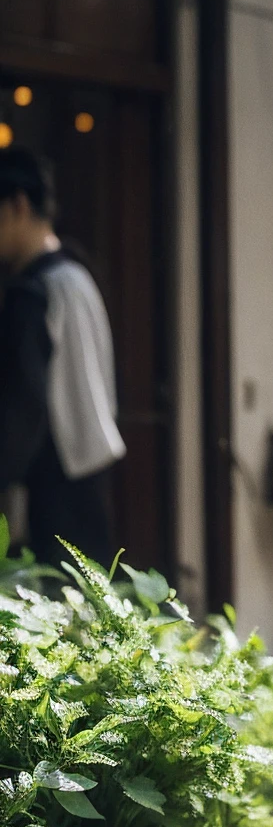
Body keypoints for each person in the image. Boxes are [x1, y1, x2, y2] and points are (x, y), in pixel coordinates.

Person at [0, 146, 124, 567]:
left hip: (50, 481)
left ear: (17, 205)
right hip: (91, 470)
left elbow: (22, 406)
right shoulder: (77, 274)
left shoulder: (32, 292)